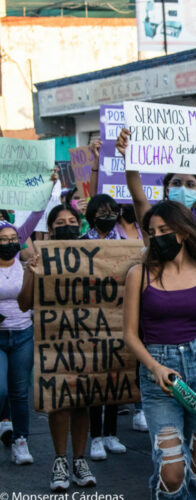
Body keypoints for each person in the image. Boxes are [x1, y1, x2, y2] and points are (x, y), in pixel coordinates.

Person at [123, 200, 196, 499]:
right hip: (160, 375)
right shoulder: (139, 274)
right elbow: (130, 335)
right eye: (152, 231)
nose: (157, 236)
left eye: (165, 230)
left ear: (183, 232)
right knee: (171, 471)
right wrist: (154, 367)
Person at [18, 204, 97, 491]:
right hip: (54, 341)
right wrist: (32, 273)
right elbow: (24, 303)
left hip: (88, 340)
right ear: (51, 229)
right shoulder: (40, 256)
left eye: (72, 220)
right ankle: (60, 460)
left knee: (83, 402)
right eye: (60, 222)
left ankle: (79, 460)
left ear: (80, 225)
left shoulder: (96, 254)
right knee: (59, 401)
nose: (67, 225)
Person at [0, 170, 58, 466]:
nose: (10, 242)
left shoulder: (24, 260)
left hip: (22, 332)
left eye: (14, 238)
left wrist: (48, 187)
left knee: (20, 392)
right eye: (4, 238)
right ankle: (3, 422)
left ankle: (20, 440)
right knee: (1, 388)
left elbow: (36, 216)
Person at [115, 129, 196, 250]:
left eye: (190, 185)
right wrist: (129, 159)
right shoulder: (153, 220)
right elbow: (139, 199)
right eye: (177, 183)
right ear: (167, 190)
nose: (183, 189)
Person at [78, 193, 128, 460]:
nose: (107, 216)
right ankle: (95, 437)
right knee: (96, 380)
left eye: (112, 210)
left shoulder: (126, 244)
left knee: (115, 379)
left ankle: (111, 434)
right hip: (91, 322)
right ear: (92, 215)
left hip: (119, 321)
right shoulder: (79, 244)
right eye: (101, 212)